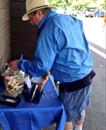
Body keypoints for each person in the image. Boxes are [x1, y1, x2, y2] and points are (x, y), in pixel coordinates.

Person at [8, 0, 95, 130]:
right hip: (87, 72)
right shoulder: (68, 18)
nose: (31, 23)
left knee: (66, 116)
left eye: (31, 19)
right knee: (79, 108)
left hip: (73, 80)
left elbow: (40, 66)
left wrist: (19, 64)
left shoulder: (48, 29)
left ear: (38, 13)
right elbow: (69, 48)